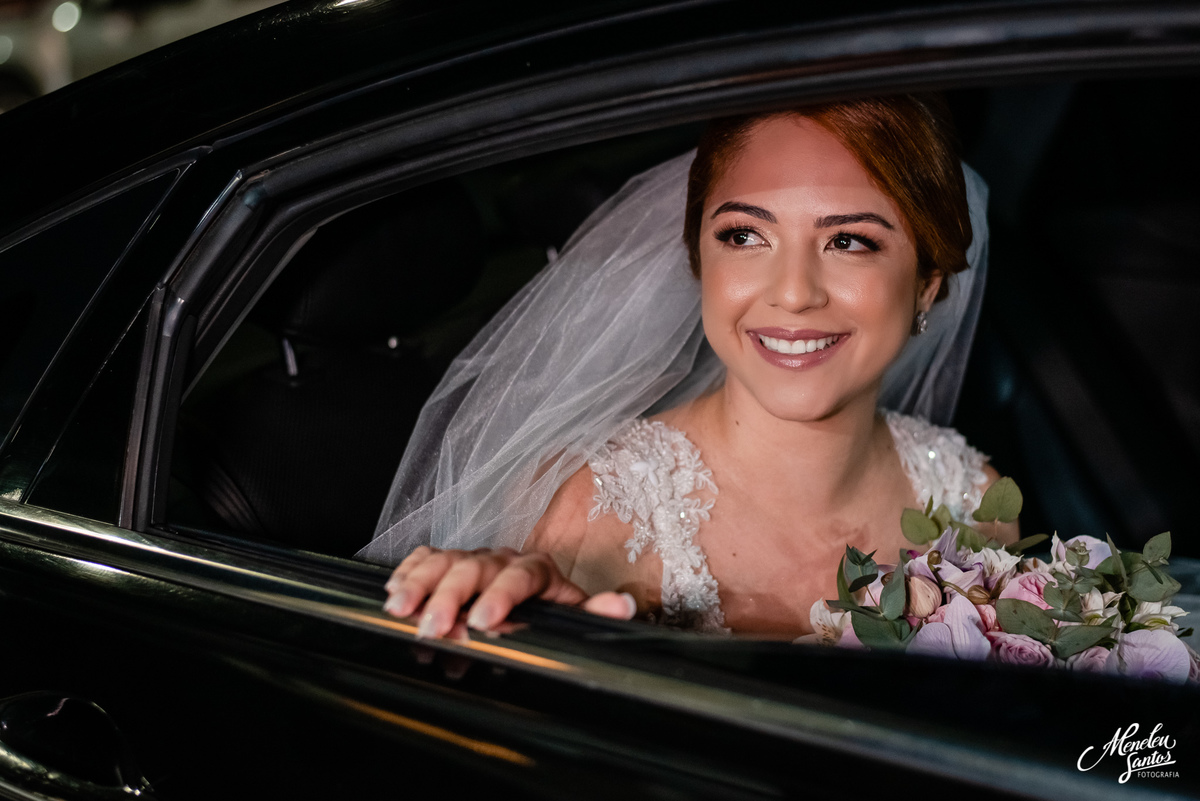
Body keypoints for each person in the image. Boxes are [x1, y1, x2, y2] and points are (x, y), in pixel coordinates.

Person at [363, 94, 1018, 640]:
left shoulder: (978, 503)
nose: (792, 291)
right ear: (700, 260)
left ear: (927, 284)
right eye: (744, 235)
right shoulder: (590, 511)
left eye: (849, 240)